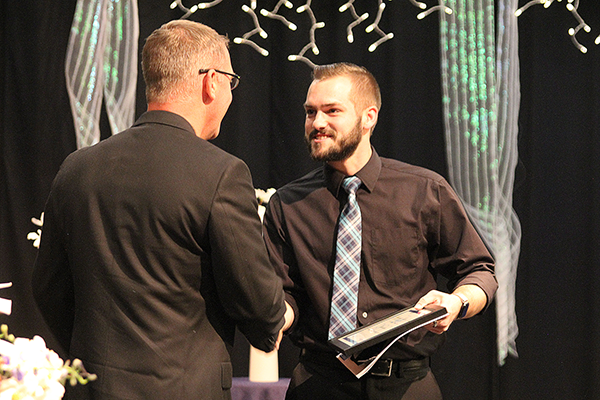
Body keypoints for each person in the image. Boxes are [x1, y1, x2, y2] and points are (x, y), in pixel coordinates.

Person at [32, 20, 290, 400]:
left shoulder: (77, 168)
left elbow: (48, 288)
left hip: (93, 389)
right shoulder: (221, 174)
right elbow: (258, 305)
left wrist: (93, 361)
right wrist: (280, 314)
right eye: (231, 82)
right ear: (212, 82)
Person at [262, 63, 498, 399]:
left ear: (368, 117)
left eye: (332, 111)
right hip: (319, 383)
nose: (317, 123)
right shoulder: (287, 204)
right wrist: (273, 318)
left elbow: (479, 270)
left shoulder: (424, 191)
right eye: (310, 112)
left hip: (406, 385)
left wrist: (456, 302)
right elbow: (284, 295)